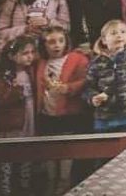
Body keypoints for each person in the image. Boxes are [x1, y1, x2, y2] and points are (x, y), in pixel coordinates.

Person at [34, 25, 90, 189]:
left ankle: (64, 183)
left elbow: (86, 79)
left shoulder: (76, 59)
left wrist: (69, 88)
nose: (56, 45)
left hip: (68, 113)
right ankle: (51, 182)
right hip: (47, 113)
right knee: (50, 150)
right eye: (51, 42)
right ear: (44, 44)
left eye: (60, 41)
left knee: (66, 150)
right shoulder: (41, 62)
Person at [0, 35, 37, 196]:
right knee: (8, 153)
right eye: (25, 53)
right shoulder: (5, 76)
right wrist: (17, 91)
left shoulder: (30, 72)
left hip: (29, 118)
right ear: (12, 56)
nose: (30, 56)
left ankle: (24, 185)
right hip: (12, 121)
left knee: (27, 150)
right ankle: (5, 187)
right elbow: (2, 98)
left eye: (32, 52)